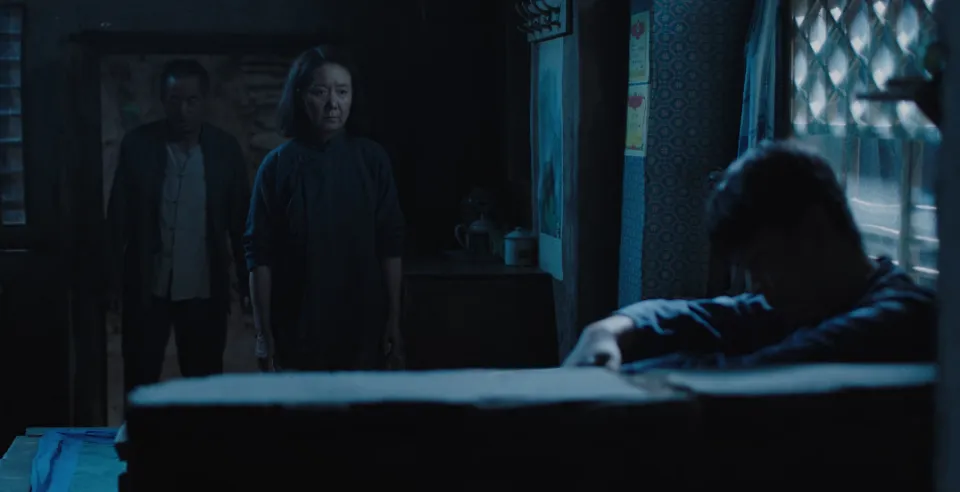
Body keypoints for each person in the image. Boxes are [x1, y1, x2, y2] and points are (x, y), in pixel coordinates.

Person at [563, 141, 937, 372]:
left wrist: (618, 379)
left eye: (763, 263)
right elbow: (705, 316)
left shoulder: (901, 316)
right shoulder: (817, 300)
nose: (759, 287)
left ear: (814, 231)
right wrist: (610, 330)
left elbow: (764, 372)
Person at [244, 46, 405, 372]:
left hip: (363, 325)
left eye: (342, 92)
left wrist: (395, 321)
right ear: (300, 96)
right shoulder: (278, 166)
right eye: (320, 92)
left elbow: (390, 244)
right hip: (298, 327)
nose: (333, 103)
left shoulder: (371, 160)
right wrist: (263, 333)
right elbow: (259, 255)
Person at [107, 59, 251, 395]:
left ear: (204, 101)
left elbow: (241, 223)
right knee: (140, 380)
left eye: (192, 101)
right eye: (174, 100)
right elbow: (117, 220)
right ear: (163, 100)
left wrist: (249, 284)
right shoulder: (138, 146)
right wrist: (112, 284)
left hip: (203, 290)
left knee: (203, 385)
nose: (183, 111)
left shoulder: (224, 150)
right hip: (148, 288)